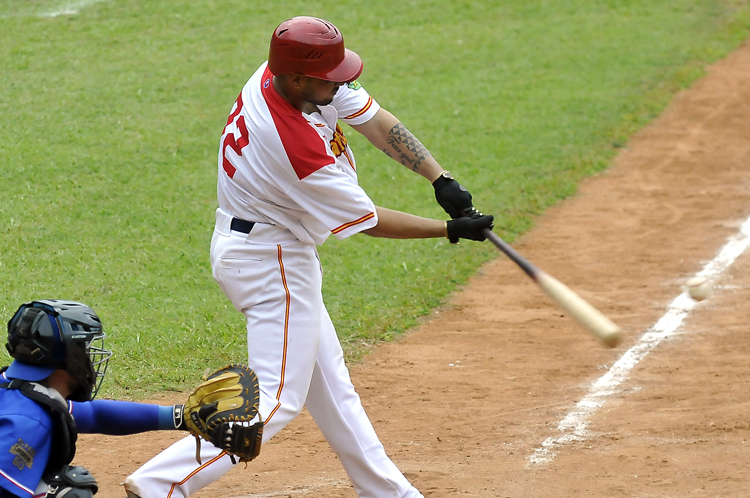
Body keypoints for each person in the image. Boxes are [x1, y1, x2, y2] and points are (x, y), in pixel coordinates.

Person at [123, 16, 494, 498]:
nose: (342, 82)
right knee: (275, 402)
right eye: (331, 76)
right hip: (269, 261)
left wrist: (439, 179)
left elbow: (376, 121)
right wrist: (448, 229)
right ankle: (160, 483)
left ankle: (390, 493)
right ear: (298, 77)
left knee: (335, 392)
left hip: (261, 247)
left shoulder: (286, 74)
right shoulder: (294, 145)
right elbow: (368, 221)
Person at [0, 299, 196, 498]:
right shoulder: (28, 422)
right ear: (70, 355)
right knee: (70, 494)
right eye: (85, 348)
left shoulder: (18, 391)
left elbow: (95, 415)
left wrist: (183, 416)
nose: (90, 358)